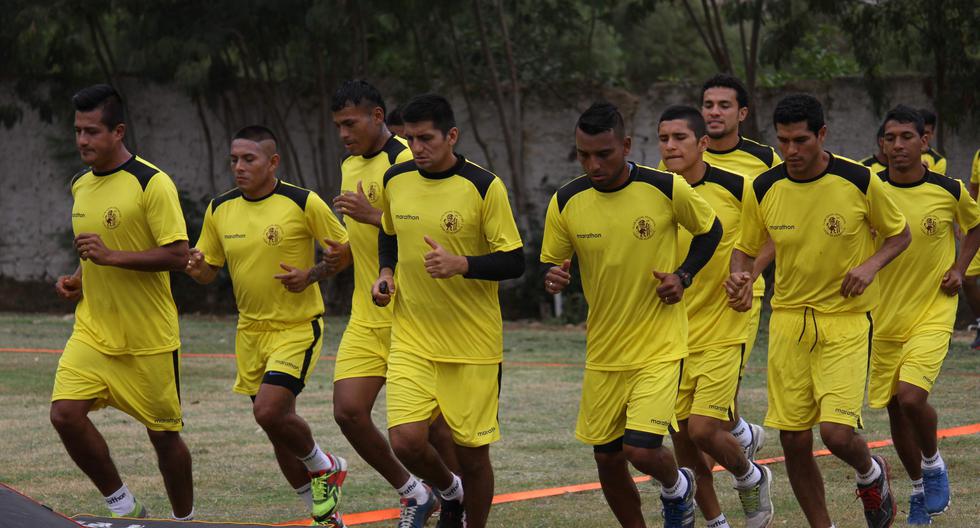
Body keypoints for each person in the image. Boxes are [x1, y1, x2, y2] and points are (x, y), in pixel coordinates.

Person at [727, 94, 910, 528]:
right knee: (792, 439)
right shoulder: (764, 187)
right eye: (784, 141)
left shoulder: (859, 180)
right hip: (789, 321)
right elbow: (745, 247)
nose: (792, 151)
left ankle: (871, 472)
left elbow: (898, 235)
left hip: (845, 321)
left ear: (822, 135)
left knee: (836, 434)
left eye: (802, 140)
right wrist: (740, 278)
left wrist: (869, 266)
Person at [542, 102, 721, 528]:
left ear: (624, 145)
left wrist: (684, 275)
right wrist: (554, 279)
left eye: (603, 153)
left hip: (659, 345)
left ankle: (677, 485)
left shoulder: (665, 188)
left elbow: (710, 229)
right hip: (604, 352)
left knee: (640, 449)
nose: (593, 163)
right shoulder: (566, 200)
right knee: (606, 458)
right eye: (584, 154)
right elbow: (554, 264)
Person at [371, 94, 525, 528]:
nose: (416, 148)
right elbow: (389, 233)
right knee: (404, 441)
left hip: (472, 347)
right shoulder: (396, 178)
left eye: (426, 138)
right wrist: (386, 274)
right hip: (412, 338)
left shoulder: (483, 185)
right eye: (410, 138)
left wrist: (463, 264)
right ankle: (450, 492)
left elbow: (515, 261)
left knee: (474, 458)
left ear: (451, 136)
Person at [185, 125, 351, 527]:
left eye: (248, 159)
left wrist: (310, 275)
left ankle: (326, 464)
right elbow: (210, 270)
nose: (238, 167)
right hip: (250, 332)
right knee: (277, 428)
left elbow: (343, 251)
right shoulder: (219, 208)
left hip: (296, 326)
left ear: (273, 162)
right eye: (234, 160)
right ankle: (324, 511)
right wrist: (197, 270)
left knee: (269, 411)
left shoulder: (302, 202)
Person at [51, 84, 194, 520]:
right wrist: (78, 278)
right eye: (77, 131)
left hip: (148, 337)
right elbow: (95, 251)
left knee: (164, 437)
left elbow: (178, 254)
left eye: (92, 132)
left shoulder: (152, 183)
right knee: (64, 415)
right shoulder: (80, 185)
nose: (82, 141)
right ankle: (123, 505)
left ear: (118, 132)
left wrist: (112, 257)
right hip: (93, 330)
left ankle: (186, 521)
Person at [328, 80, 460, 527]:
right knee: (347, 411)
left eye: (351, 123)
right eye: (339, 126)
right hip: (368, 312)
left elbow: (431, 228)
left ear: (378, 117)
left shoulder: (410, 157)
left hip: (416, 316)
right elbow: (361, 238)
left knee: (436, 430)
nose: (345, 134)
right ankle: (415, 492)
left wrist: (375, 217)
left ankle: (454, 502)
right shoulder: (349, 165)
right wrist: (341, 252)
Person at [658, 105, 774, 528]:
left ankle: (751, 474)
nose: (670, 146)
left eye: (679, 138)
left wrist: (748, 275)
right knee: (682, 436)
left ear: (702, 143)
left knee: (704, 430)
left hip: (728, 319)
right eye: (664, 139)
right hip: (673, 329)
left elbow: (772, 233)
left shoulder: (738, 186)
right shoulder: (656, 189)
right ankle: (715, 521)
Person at [869, 105, 980, 524]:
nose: (897, 146)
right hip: (883, 315)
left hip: (933, 309)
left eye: (906, 138)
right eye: (890, 138)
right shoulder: (870, 189)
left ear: (924, 142)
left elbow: (976, 224)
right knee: (895, 407)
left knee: (913, 398)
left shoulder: (948, 188)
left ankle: (933, 463)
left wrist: (959, 267)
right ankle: (917, 490)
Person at [696, 74, 780, 459]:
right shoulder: (683, 155)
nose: (714, 112)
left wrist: (752, 272)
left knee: (715, 395)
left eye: (724, 105)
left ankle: (741, 455)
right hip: (692, 292)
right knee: (691, 396)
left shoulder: (764, 160)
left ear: (742, 113)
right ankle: (742, 434)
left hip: (740, 291)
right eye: (709, 105)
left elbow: (780, 226)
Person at [960, 147, 980, 348]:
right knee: (967, 278)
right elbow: (974, 189)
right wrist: (966, 222)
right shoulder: (978, 154)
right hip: (978, 230)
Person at [917, 109, 946, 175]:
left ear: (932, 134)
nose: (923, 137)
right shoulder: (901, 154)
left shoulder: (938, 161)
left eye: (926, 133)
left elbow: (935, 184)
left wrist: (925, 173)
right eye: (920, 132)